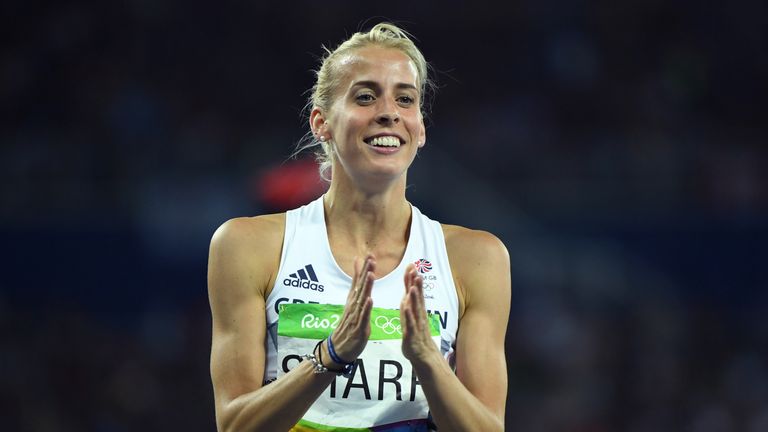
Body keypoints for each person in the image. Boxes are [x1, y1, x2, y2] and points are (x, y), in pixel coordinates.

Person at [207, 22, 510, 432]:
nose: (388, 112)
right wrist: (329, 357)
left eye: (405, 99)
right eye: (365, 97)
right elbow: (234, 425)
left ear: (420, 128)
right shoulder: (248, 246)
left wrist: (427, 360)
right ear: (321, 123)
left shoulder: (476, 259)